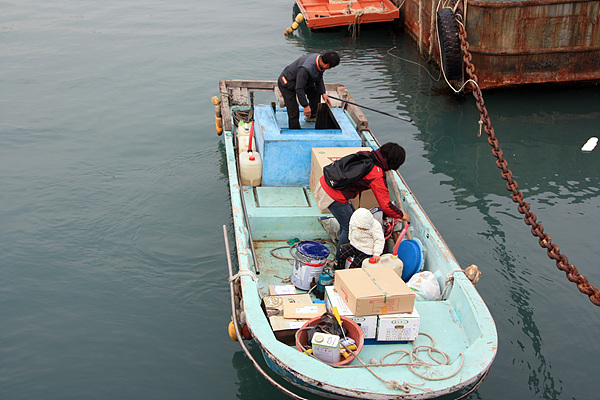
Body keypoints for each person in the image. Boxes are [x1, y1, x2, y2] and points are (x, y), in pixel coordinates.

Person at [313, 142, 411, 259]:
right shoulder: (377, 174)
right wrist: (401, 215)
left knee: (353, 218)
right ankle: (340, 259)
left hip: (326, 181)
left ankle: (342, 242)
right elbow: (385, 206)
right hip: (333, 195)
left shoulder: (367, 154)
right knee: (350, 226)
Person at [277, 51, 340, 129]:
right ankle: (295, 130)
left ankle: (312, 116)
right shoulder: (305, 69)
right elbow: (299, 89)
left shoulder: (320, 60)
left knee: (315, 93)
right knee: (293, 110)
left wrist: (323, 93)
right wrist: (305, 106)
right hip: (287, 83)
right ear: (327, 65)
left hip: (304, 81)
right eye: (331, 67)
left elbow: (319, 77)